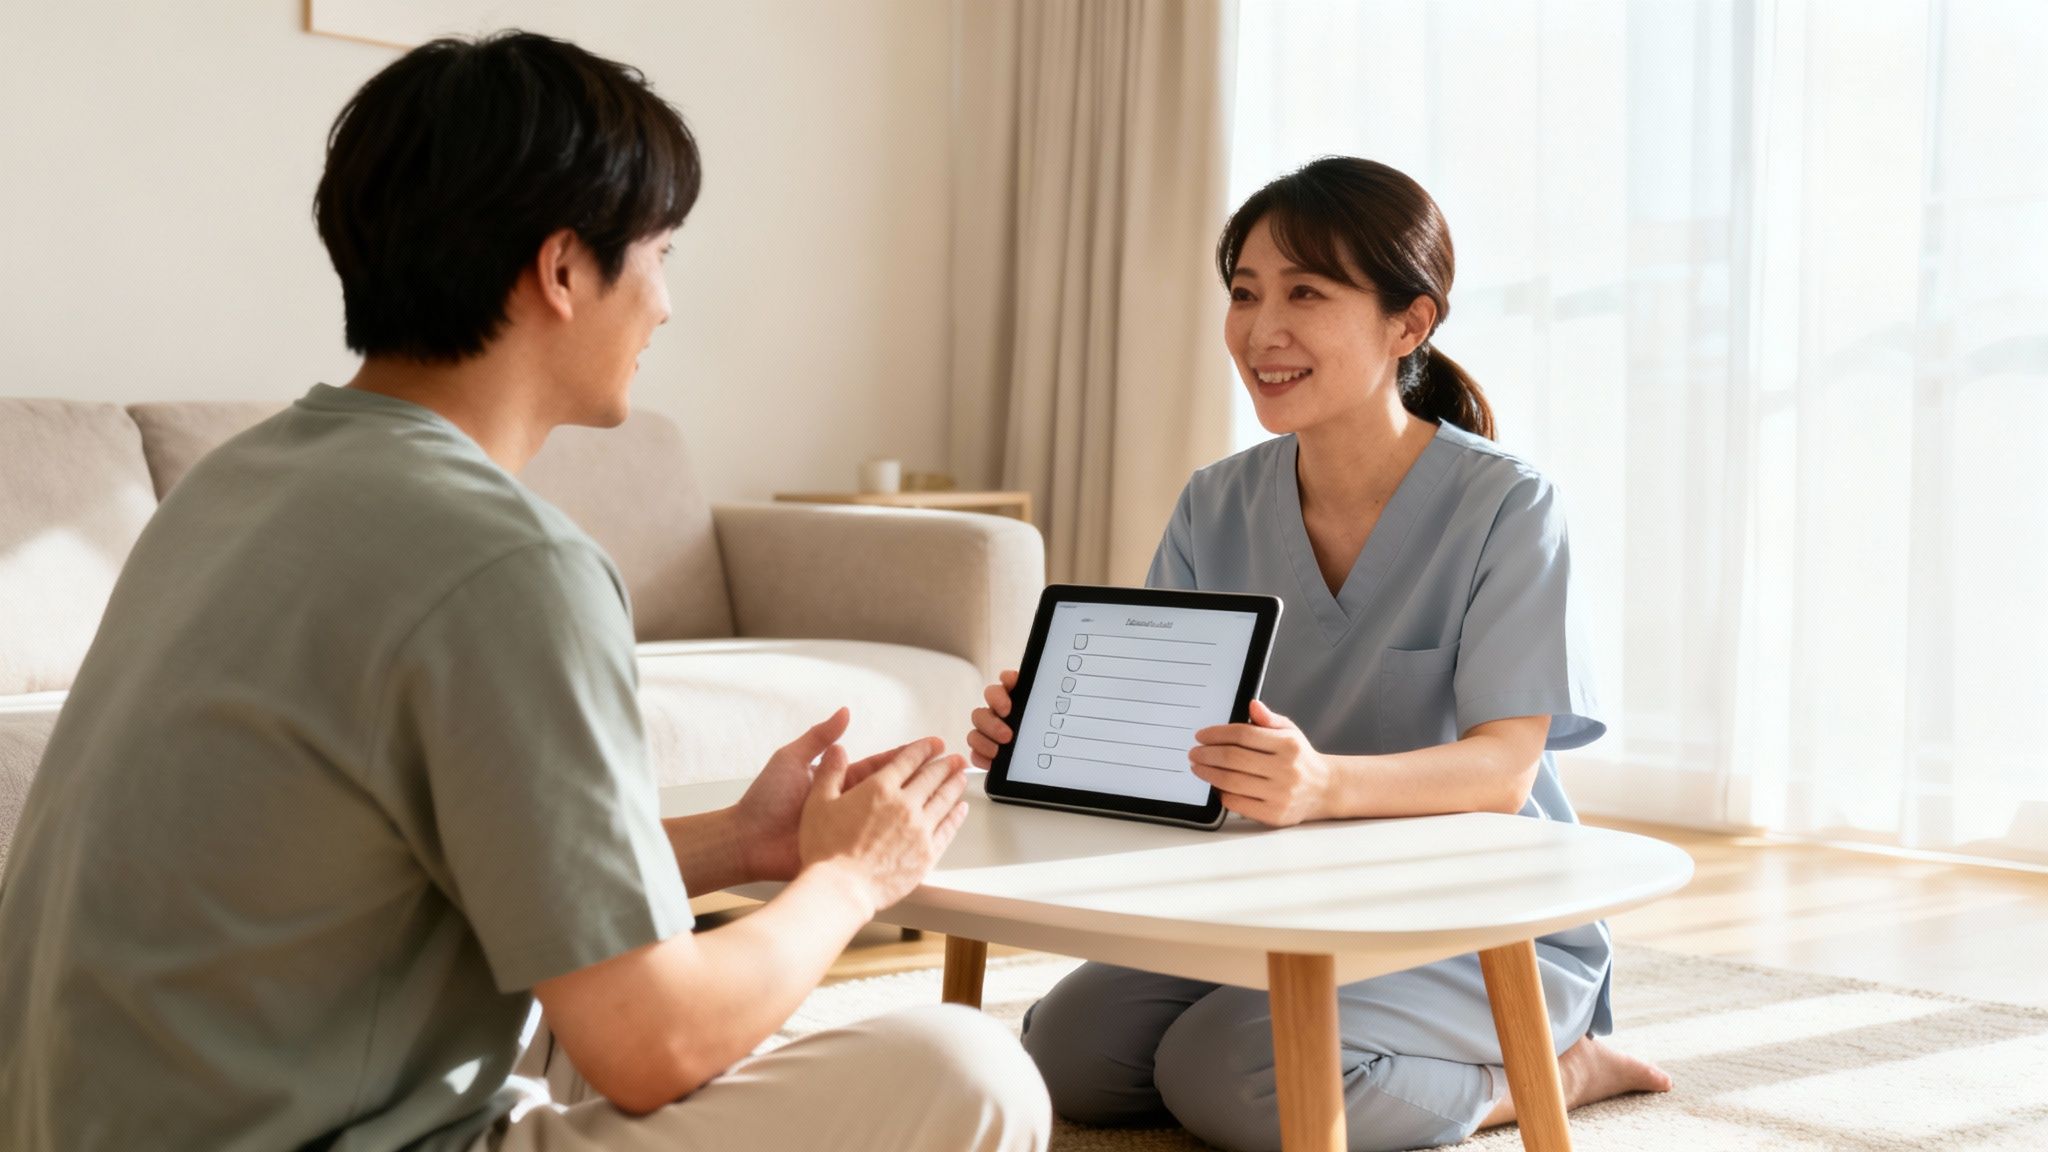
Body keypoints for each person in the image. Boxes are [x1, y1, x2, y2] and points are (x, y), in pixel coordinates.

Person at [0, 31, 1048, 1152]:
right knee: (968, 1071)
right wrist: (850, 879)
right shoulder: (508, 563)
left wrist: (744, 845)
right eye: (659, 254)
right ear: (561, 270)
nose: (664, 305)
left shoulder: (234, 486)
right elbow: (650, 1045)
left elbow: (412, 865)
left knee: (569, 997)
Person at [966, 156, 1669, 1152]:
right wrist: (1044, 729)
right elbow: (1171, 732)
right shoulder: (1216, 502)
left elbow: (1505, 769)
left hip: (1472, 913)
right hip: (1272, 893)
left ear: (1407, 324)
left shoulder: (1507, 505)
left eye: (1305, 292)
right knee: (1066, 1058)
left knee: (1234, 1074)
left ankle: (1548, 1070)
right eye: (1244, 293)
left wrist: (1322, 783)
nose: (1261, 330)